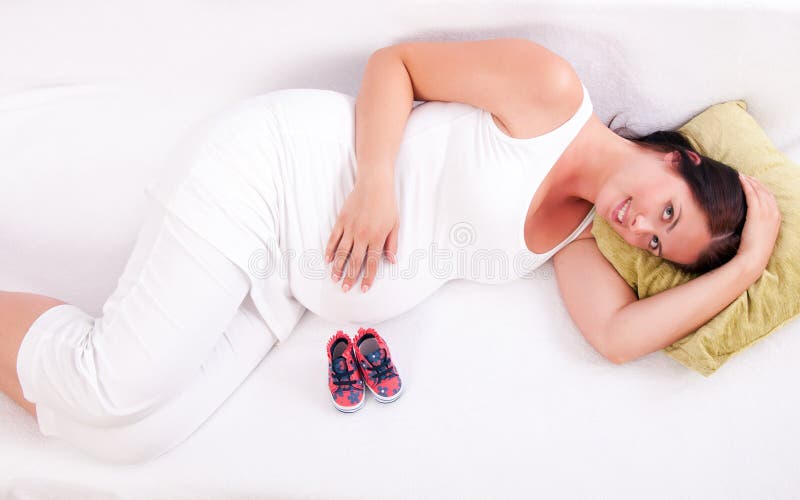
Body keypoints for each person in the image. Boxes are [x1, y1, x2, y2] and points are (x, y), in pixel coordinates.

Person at [0, 38, 781, 463]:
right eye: (665, 210)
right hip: (271, 177)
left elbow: (616, 339)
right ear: (680, 157)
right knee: (113, 387)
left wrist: (747, 270)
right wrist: (375, 181)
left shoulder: (581, 235)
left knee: (138, 435)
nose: (638, 225)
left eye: (653, 240)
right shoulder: (551, 94)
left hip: (288, 288)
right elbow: (397, 64)